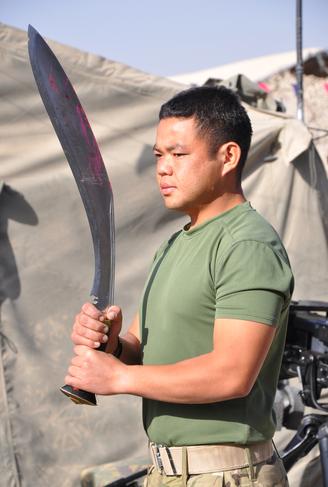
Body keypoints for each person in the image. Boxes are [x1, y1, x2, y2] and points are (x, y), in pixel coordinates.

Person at [65, 86, 294, 487]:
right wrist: (115, 347)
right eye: (158, 155)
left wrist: (117, 378)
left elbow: (232, 374)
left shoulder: (247, 245)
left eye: (178, 154)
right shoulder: (174, 244)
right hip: (166, 471)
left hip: (228, 475)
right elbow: (142, 350)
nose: (163, 168)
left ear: (228, 157)